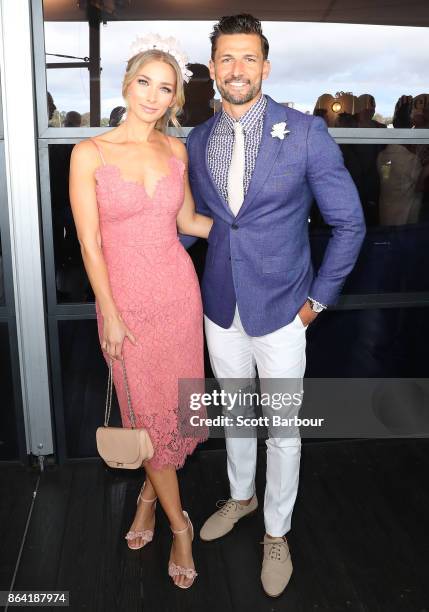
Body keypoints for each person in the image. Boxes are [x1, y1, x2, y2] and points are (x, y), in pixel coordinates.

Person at [185, 14, 366, 598]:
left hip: (286, 311)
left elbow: (349, 224)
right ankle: (241, 497)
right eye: (226, 59)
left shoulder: (306, 132)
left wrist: (315, 303)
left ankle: (277, 532)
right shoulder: (197, 139)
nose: (237, 70)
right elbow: (200, 227)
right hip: (221, 310)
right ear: (213, 68)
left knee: (283, 430)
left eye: (248, 58)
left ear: (265, 65)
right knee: (235, 416)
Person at [69, 35, 212, 589]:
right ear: (126, 84)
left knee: (173, 412)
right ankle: (181, 526)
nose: (153, 96)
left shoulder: (175, 151)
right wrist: (111, 311)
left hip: (178, 294)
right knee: (145, 415)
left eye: (166, 87)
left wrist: (254, 230)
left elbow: (189, 223)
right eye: (145, 83)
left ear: (175, 98)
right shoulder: (91, 152)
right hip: (124, 301)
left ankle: (150, 499)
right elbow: (89, 244)